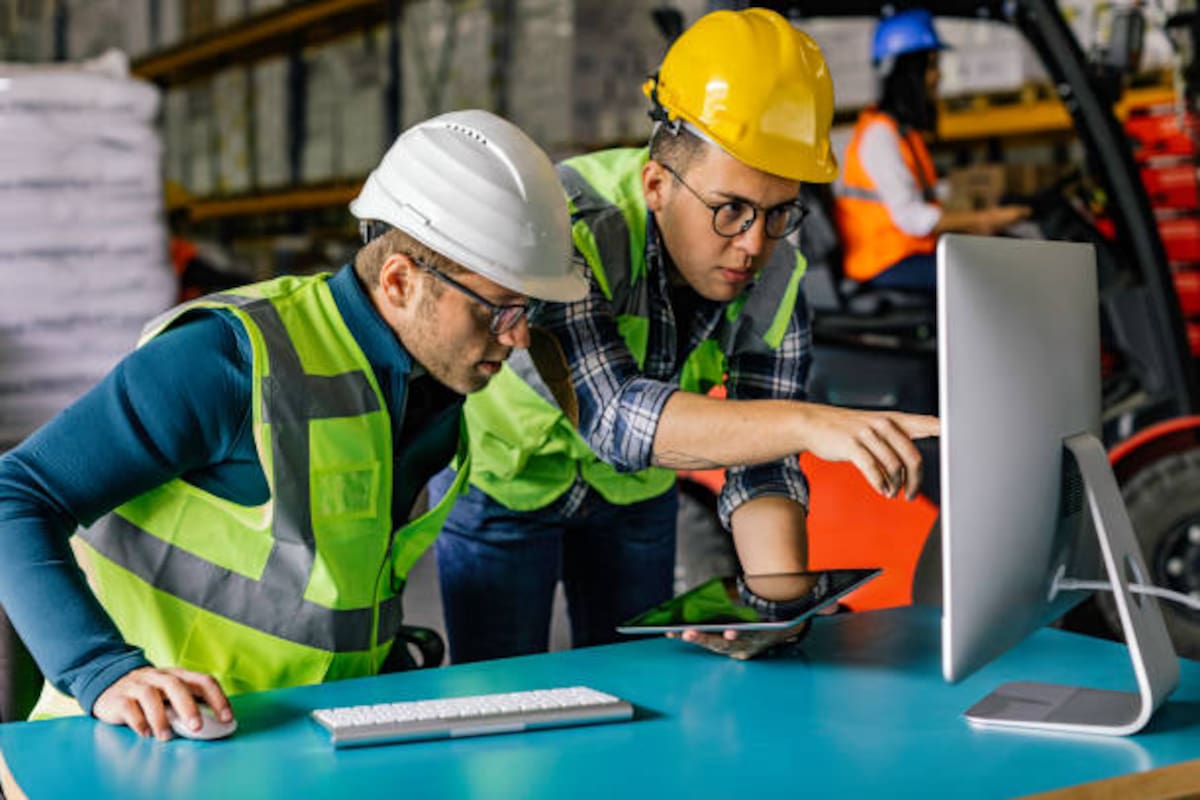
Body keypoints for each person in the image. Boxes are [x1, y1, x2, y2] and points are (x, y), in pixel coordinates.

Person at [0, 109, 586, 740]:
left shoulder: (436, 395)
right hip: (148, 745)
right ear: (399, 281)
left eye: (528, 310)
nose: (519, 336)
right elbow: (15, 493)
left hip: (302, 745)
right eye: (499, 309)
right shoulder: (230, 360)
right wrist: (101, 671)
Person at [428, 8, 941, 666]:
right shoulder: (569, 224)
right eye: (731, 209)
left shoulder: (777, 264)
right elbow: (613, 416)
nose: (754, 243)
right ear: (657, 185)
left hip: (634, 496)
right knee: (499, 699)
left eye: (779, 210)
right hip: (506, 483)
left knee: (637, 693)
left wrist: (774, 608)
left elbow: (765, 461)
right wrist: (812, 422)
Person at [834, 8, 1032, 291]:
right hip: (885, 261)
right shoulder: (880, 136)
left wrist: (978, 214)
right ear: (906, 73)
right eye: (930, 66)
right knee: (990, 276)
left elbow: (926, 195)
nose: (937, 77)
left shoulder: (901, 131)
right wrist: (984, 220)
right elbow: (912, 218)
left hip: (908, 250)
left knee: (999, 256)